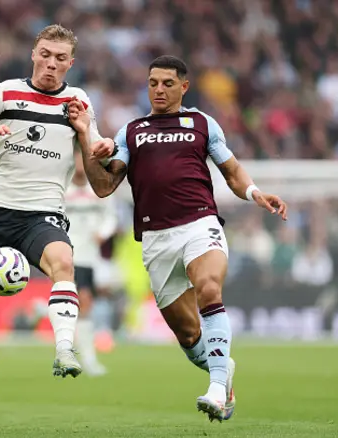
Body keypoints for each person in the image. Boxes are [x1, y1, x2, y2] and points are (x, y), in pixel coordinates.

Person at [68, 55, 288, 422]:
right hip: (156, 239)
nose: (158, 89)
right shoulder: (131, 132)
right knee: (188, 336)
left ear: (183, 86)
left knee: (209, 289)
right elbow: (105, 185)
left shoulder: (201, 123)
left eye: (167, 83)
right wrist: (85, 140)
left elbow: (231, 171)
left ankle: (217, 390)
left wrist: (255, 194)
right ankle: (223, 373)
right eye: (153, 82)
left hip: (200, 224)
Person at [0, 24, 114, 406]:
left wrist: (94, 139)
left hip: (43, 212)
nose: (51, 64)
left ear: (70, 63)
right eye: (45, 54)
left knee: (63, 262)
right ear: (34, 54)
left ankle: (65, 350)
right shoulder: (7, 91)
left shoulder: (77, 99)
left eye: (60, 58)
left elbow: (94, 146)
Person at [65, 149, 118, 376]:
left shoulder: (100, 189)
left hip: (89, 255)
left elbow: (112, 218)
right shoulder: (61, 188)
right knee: (81, 301)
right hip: (65, 252)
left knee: (80, 303)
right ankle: (85, 357)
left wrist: (103, 232)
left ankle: (80, 355)